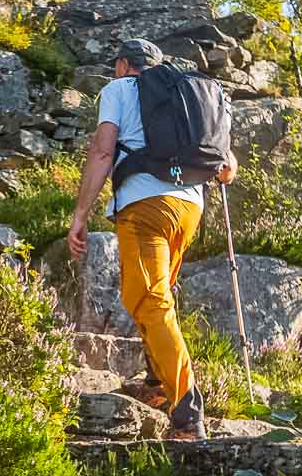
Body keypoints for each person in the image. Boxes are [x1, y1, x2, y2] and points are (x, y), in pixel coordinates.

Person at [69, 38, 237, 441]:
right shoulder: (189, 93)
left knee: (147, 299)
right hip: (189, 208)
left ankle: (187, 411)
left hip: (145, 206)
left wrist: (80, 214)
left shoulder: (120, 89)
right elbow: (228, 167)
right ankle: (158, 383)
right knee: (154, 294)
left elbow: (103, 151)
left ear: (124, 64)